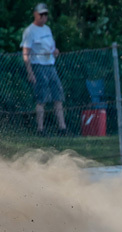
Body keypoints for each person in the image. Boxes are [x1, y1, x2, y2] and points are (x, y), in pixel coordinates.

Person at [20, 3, 67, 135]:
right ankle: (40, 129)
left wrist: (55, 51)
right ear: (35, 14)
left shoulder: (47, 29)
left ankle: (62, 128)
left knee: (58, 96)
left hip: (50, 66)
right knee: (42, 98)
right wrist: (30, 72)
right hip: (38, 67)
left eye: (45, 14)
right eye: (41, 14)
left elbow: (52, 47)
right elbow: (26, 53)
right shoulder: (30, 31)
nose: (43, 17)